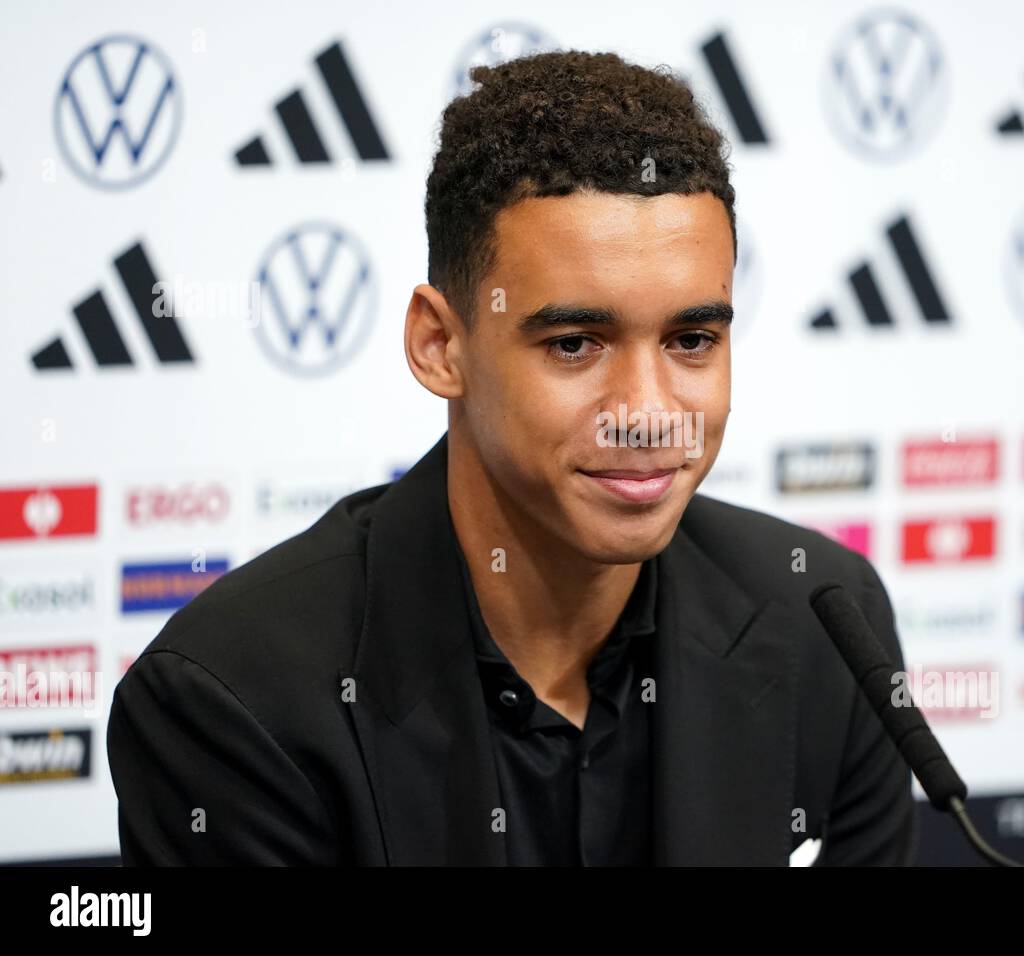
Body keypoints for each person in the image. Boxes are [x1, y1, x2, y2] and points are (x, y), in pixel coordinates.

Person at [107, 49, 917, 866]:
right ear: (439, 345)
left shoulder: (828, 625)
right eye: (574, 343)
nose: (648, 415)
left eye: (691, 339)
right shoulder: (234, 699)